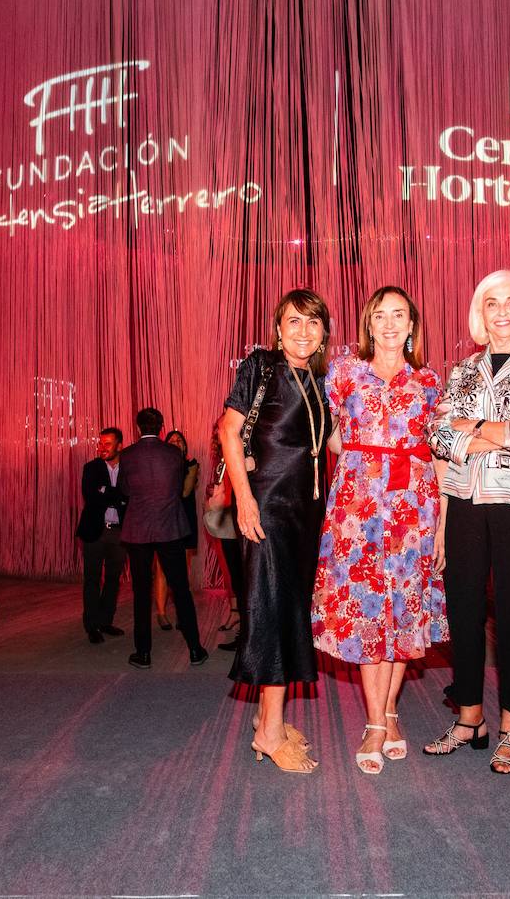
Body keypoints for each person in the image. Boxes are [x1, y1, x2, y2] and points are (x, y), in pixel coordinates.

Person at [425, 269, 510, 776]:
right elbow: (437, 435)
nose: (500, 311)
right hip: (464, 500)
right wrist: (496, 431)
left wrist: (471, 427)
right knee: (461, 610)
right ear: (478, 314)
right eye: (490, 303)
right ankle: (469, 720)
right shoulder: (460, 370)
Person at [312, 286, 448, 774]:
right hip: (359, 511)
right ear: (369, 324)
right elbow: (324, 434)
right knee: (369, 614)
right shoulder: (345, 373)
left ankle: (390, 713)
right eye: (380, 316)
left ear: (412, 324)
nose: (390, 324)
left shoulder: (430, 381)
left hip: (415, 510)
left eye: (400, 315)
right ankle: (374, 723)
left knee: (403, 616)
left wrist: (443, 530)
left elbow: (440, 458)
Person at [221, 288, 332, 774]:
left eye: (313, 323)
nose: (303, 332)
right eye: (294, 322)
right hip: (266, 504)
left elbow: (335, 442)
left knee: (290, 610)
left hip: (306, 512)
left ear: (325, 331)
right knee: (269, 609)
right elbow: (228, 430)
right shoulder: (260, 366)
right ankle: (268, 731)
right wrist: (244, 499)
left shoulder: (320, 379)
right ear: (278, 327)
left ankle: (272, 719)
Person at [118, 408, 207, 669]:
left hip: (138, 529)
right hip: (169, 527)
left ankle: (143, 653)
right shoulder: (174, 454)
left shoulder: (128, 455)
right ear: (161, 427)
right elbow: (178, 488)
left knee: (141, 592)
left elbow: (124, 489)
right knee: (181, 589)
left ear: (137, 428)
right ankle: (195, 649)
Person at [76, 427, 128, 644]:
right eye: (100, 443)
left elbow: (130, 496)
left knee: (114, 580)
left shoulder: (129, 468)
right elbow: (91, 496)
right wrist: (117, 496)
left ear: (119, 446)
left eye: (107, 444)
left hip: (120, 532)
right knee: (92, 579)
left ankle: (106, 621)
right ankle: (92, 625)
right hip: (94, 532)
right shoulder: (91, 468)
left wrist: (106, 491)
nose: (102, 447)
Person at [151, 429, 199, 630]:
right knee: (161, 569)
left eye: (180, 440)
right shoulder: (158, 466)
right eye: (172, 440)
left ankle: (182, 612)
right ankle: (161, 613)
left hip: (185, 520)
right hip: (164, 520)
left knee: (182, 571)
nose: (176, 442)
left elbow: (185, 491)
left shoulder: (191, 464)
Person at [205, 418, 246, 653]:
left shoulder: (237, 455)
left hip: (238, 526)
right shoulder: (225, 458)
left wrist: (220, 498)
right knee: (240, 584)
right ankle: (245, 633)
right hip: (230, 528)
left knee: (244, 584)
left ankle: (247, 636)